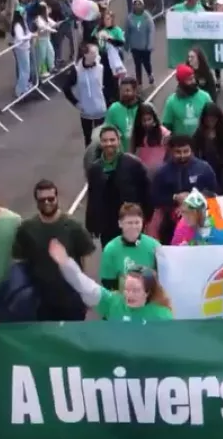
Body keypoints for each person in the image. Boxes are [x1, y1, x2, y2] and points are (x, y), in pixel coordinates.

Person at [48, 237, 173, 439]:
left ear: (148, 292)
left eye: (136, 291)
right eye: (127, 289)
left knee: (153, 427)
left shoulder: (162, 315)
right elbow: (85, 287)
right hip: (120, 381)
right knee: (129, 427)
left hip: (151, 383)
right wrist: (66, 264)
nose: (129, 295)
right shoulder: (113, 302)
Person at [12, 180, 95, 321]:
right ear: (36, 201)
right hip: (41, 301)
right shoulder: (26, 229)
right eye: (42, 199)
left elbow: (84, 258)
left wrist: (85, 291)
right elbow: (19, 261)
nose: (47, 202)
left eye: (51, 198)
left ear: (57, 198)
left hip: (71, 298)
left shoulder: (73, 227)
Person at [85, 125, 151, 246]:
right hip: (107, 225)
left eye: (112, 140)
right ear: (100, 143)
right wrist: (91, 224)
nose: (109, 143)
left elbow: (146, 191)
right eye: (105, 140)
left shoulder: (133, 164)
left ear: (118, 141)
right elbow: (93, 196)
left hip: (130, 222)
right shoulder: (95, 169)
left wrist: (145, 217)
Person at [151, 135, 218, 244]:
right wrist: (175, 198)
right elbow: (155, 198)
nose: (182, 155)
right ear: (171, 151)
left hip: (202, 224)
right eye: (178, 152)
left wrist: (192, 200)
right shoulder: (162, 172)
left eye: (186, 151)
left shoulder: (204, 168)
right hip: (170, 224)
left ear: (192, 150)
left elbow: (214, 193)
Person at [98, 203, 160, 289]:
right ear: (120, 224)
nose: (134, 226)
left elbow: (162, 276)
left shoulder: (154, 246)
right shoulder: (110, 249)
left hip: (148, 296)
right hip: (122, 297)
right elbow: (107, 282)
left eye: (137, 222)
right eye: (129, 223)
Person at [61, 41, 108, 148]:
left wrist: (108, 100)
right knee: (88, 139)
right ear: (85, 54)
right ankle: (90, 161)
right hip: (86, 111)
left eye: (96, 52)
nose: (96, 55)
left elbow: (107, 84)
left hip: (100, 109)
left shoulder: (100, 67)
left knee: (102, 138)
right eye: (93, 53)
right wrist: (76, 103)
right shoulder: (77, 71)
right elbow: (66, 88)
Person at [161, 64, 213, 138]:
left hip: (202, 142)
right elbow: (167, 125)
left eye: (193, 78)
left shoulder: (205, 97)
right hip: (181, 146)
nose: (193, 82)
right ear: (181, 82)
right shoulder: (171, 101)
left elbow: (214, 118)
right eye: (189, 79)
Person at [128, 103, 170, 177]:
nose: (147, 123)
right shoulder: (137, 134)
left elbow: (169, 153)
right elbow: (132, 153)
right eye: (144, 120)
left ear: (154, 119)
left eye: (149, 119)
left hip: (161, 173)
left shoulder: (163, 133)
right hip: (143, 174)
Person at [103, 77, 141, 148]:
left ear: (135, 91)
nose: (124, 94)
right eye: (122, 91)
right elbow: (106, 131)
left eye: (127, 90)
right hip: (121, 155)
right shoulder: (114, 109)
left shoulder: (144, 108)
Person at [125, 0, 155, 85]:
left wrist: (150, 45)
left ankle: (150, 74)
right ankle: (139, 82)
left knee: (146, 63)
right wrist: (126, 45)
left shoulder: (147, 17)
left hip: (145, 46)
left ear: (143, 5)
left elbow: (151, 31)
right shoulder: (129, 18)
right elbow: (127, 32)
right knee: (137, 65)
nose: (137, 6)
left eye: (139, 4)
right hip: (135, 47)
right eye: (135, 4)